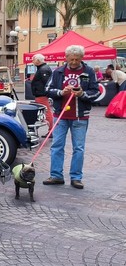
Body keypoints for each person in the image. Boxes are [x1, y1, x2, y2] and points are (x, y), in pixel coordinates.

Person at [42, 45, 100, 189]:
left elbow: (96, 92)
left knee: (78, 148)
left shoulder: (89, 72)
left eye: (77, 59)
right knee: (56, 146)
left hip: (80, 117)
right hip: (60, 114)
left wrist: (82, 94)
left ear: (82, 58)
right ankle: (56, 175)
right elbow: (48, 89)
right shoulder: (58, 71)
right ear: (66, 57)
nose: (74, 62)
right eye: (71, 59)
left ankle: (76, 177)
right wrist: (61, 92)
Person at [30, 53, 54, 131]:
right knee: (45, 112)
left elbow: (47, 83)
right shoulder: (43, 69)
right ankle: (51, 129)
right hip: (41, 94)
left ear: (38, 60)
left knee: (46, 112)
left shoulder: (43, 69)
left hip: (42, 95)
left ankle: (51, 130)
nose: (32, 62)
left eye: (33, 60)